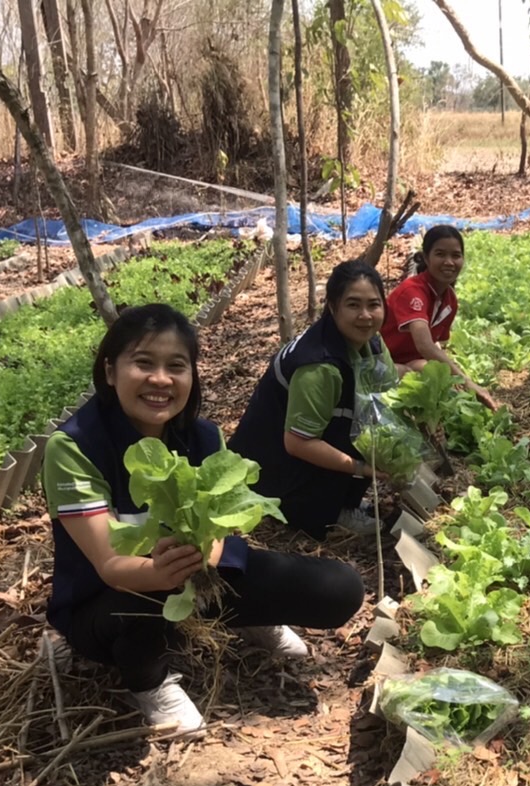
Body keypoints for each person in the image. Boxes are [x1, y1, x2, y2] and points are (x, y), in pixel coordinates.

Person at [42, 304, 365, 732]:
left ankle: (246, 619)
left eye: (176, 366)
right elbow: (110, 565)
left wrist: (207, 553)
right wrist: (163, 571)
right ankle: (150, 681)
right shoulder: (74, 446)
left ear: (192, 375)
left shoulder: (203, 435)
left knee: (339, 588)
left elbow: (221, 526)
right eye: (143, 363)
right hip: (110, 601)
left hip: (196, 575)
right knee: (137, 603)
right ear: (109, 371)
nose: (160, 380)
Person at [231, 260, 399, 538]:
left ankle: (346, 501)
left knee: (367, 421)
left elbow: (389, 398)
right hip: (272, 467)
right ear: (332, 307)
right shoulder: (319, 366)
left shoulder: (372, 344)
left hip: (298, 448)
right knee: (353, 426)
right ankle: (328, 513)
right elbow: (299, 442)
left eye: (374, 304)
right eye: (353, 305)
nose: (366, 315)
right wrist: (360, 468)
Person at [379, 225, 498, 411]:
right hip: (379, 360)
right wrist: (466, 381)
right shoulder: (413, 292)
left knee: (434, 375)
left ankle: (435, 423)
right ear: (426, 258)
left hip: (409, 361)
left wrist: (452, 378)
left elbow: (436, 345)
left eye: (456, 256)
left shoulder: (449, 300)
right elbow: (424, 345)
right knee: (417, 374)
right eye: (440, 254)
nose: (449, 262)